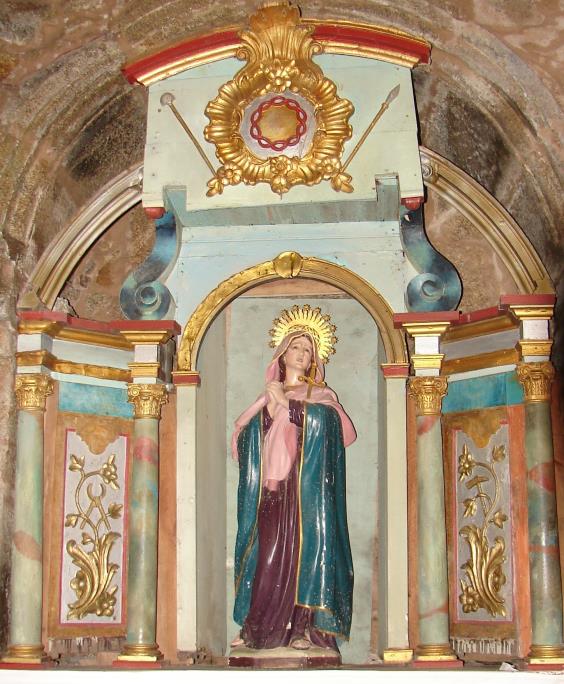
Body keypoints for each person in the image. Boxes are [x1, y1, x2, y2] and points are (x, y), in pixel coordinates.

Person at [231, 309, 356, 652]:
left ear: (314, 359)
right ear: (283, 354)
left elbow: (337, 431)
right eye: (296, 347)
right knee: (267, 555)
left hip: (306, 489)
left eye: (308, 350)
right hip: (273, 489)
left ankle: (302, 629)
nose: (302, 354)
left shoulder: (321, 395)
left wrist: (291, 406)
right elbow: (243, 440)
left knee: (308, 554)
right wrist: (269, 411)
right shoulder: (268, 393)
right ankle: (257, 627)